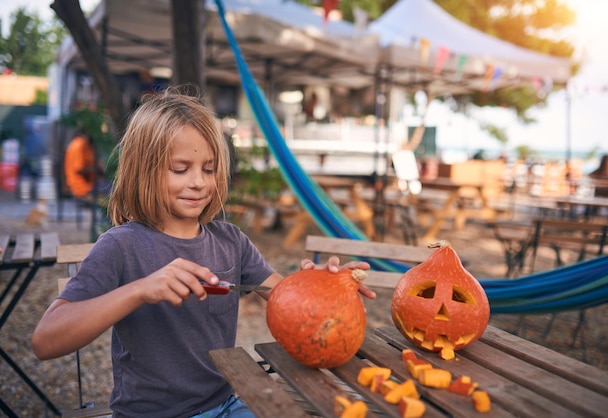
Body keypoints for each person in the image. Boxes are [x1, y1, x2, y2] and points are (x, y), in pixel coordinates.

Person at [32, 86, 375, 418]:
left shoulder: (231, 241)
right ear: (143, 171)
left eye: (208, 169)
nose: (198, 182)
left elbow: (291, 305)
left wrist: (325, 287)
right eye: (180, 169)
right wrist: (139, 290)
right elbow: (45, 341)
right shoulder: (121, 246)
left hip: (228, 404)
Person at [63, 128, 110, 200]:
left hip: (77, 186)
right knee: (114, 189)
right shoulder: (80, 144)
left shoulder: (74, 143)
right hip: (83, 187)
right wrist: (96, 168)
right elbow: (78, 169)